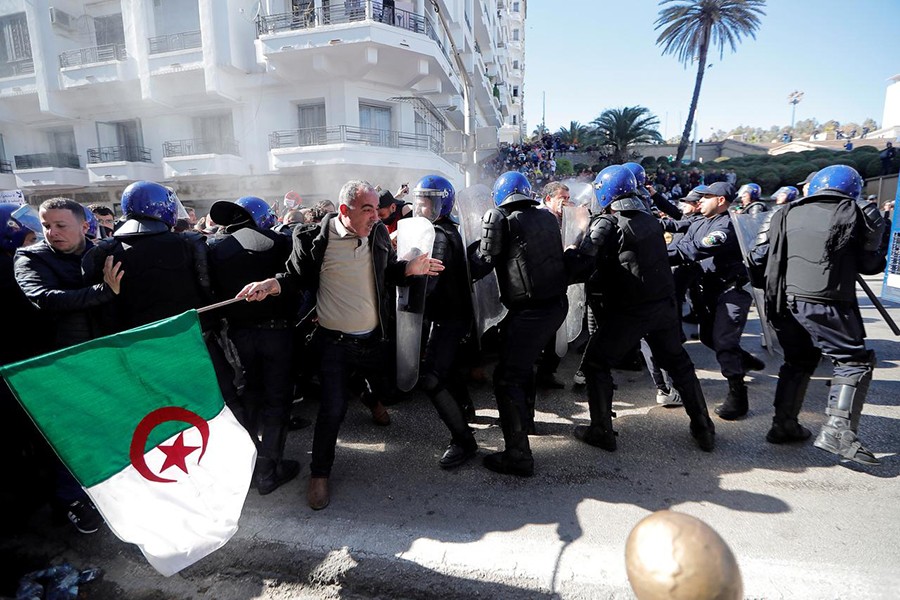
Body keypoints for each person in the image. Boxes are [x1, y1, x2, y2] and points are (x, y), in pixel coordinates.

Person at [237, 180, 443, 509]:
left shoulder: (376, 234)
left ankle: (374, 400)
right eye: (368, 210)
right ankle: (319, 475)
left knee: (389, 388)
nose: (376, 216)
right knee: (333, 410)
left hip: (374, 339)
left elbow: (386, 272)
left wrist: (408, 269)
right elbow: (295, 278)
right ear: (344, 211)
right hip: (335, 344)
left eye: (377, 209)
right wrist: (270, 285)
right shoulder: (312, 239)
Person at [565, 166, 715, 453]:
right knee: (679, 365)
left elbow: (581, 266)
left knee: (596, 364)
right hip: (662, 305)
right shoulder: (649, 220)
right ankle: (703, 428)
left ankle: (601, 431)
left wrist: (579, 235)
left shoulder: (608, 223)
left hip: (629, 310)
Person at [750, 165, 886, 465]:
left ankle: (783, 423)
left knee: (797, 360)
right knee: (853, 361)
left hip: (783, 301)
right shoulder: (860, 212)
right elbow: (871, 264)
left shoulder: (782, 212)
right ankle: (838, 430)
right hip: (828, 300)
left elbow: (756, 258)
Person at [14, 197, 123, 534]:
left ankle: (106, 488)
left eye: (61, 225)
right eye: (47, 226)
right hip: (63, 363)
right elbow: (44, 298)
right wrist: (102, 291)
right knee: (73, 435)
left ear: (84, 225)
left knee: (109, 427)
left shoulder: (106, 249)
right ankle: (71, 500)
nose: (52, 233)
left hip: (106, 356)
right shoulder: (29, 257)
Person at [468, 171, 568, 476]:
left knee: (507, 378)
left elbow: (483, 262)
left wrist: (464, 257)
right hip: (555, 305)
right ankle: (526, 421)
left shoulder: (499, 217)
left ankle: (518, 455)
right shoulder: (546, 217)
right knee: (523, 366)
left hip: (531, 310)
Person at [207, 196, 299, 494]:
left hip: (239, 335)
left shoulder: (215, 249)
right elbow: (296, 282)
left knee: (252, 393)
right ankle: (269, 470)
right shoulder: (279, 241)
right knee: (277, 398)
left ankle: (251, 461)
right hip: (278, 333)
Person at [668, 182, 764, 421]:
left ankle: (738, 396)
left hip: (730, 291)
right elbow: (680, 239)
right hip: (707, 291)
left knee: (723, 341)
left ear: (721, 200)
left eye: (706, 197)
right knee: (709, 337)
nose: (699, 201)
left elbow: (696, 249)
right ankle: (744, 360)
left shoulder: (727, 226)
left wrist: (656, 254)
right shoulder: (699, 221)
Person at [410, 175, 479, 469]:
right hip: (455, 316)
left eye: (428, 202)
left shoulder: (438, 235)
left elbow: (430, 283)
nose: (422, 208)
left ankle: (464, 440)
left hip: (448, 317)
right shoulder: (450, 229)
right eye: (420, 202)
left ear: (442, 203)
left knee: (431, 377)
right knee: (448, 371)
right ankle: (465, 408)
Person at [83, 181, 210, 333]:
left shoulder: (103, 250)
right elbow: (207, 288)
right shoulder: (190, 243)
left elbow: (97, 309)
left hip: (133, 340)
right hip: (189, 333)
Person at [534, 181, 572, 389]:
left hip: (559, 282)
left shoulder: (565, 218)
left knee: (557, 333)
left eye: (568, 198)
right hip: (541, 284)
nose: (566, 202)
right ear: (548, 199)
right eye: (562, 198)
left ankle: (547, 372)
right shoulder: (539, 218)